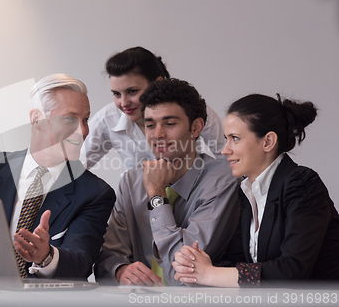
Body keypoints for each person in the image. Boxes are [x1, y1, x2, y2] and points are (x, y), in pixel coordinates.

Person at [0, 74, 116, 279]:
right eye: (71, 118)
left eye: (85, 119)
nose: (84, 130)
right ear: (36, 119)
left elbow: (81, 261)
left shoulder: (94, 193)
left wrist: (47, 256)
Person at [173, 94, 339, 287]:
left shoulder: (301, 183)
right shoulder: (248, 191)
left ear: (268, 141)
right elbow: (238, 259)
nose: (225, 150)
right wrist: (194, 269)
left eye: (235, 138)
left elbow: (292, 271)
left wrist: (209, 274)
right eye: (226, 139)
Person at [94, 78, 239, 286]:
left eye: (170, 124)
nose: (158, 134)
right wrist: (120, 270)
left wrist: (156, 194)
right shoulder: (131, 181)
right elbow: (107, 257)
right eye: (150, 125)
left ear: (196, 127)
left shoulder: (222, 181)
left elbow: (181, 273)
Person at [83, 46, 225, 171]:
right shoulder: (107, 118)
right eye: (116, 94)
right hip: (140, 198)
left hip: (195, 196)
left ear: (158, 83)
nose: (124, 103)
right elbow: (74, 168)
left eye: (132, 91)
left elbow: (225, 158)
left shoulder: (193, 109)